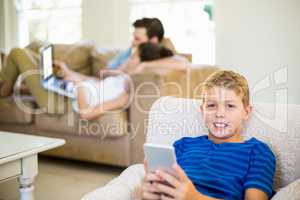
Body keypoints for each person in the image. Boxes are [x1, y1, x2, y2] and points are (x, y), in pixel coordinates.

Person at [133, 70, 276, 200]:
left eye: (230, 106)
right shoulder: (182, 145)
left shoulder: (258, 152)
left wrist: (194, 198)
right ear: (202, 110)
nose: (220, 113)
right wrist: (149, 192)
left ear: (246, 112)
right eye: (211, 105)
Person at [0, 17, 187, 114]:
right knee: (35, 46)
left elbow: (182, 63)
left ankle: (5, 89)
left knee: (17, 53)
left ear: (153, 41)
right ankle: (14, 86)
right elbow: (100, 81)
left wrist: (140, 67)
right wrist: (70, 73)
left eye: (137, 39)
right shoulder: (130, 56)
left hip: (72, 95)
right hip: (76, 88)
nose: (132, 43)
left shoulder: (149, 59)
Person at [55, 42, 186, 120]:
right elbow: (96, 82)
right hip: (69, 87)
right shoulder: (123, 78)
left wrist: (78, 84)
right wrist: (69, 73)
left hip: (67, 97)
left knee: (36, 66)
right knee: (47, 67)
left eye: (133, 57)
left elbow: (87, 113)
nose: (128, 60)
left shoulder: (125, 95)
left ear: (143, 62)